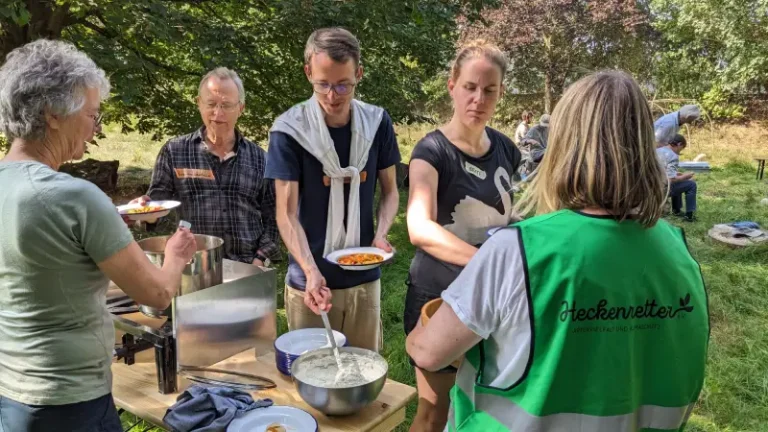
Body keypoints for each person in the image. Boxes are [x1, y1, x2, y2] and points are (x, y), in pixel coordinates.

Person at [407, 70, 709, 431]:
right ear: (646, 146)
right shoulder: (678, 252)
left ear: (565, 146)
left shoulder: (518, 249)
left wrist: (420, 333)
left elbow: (428, 351)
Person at [0, 39, 197, 432]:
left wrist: (111, 223)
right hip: (71, 400)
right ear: (53, 113)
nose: (95, 130)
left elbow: (42, 257)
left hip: (12, 391)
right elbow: (156, 294)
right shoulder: (75, 196)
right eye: (92, 115)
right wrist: (176, 256)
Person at [404, 40, 521, 432]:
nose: (478, 98)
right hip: (438, 300)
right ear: (452, 85)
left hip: (494, 303)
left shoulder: (507, 149)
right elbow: (419, 228)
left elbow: (508, 211)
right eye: (470, 86)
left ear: (501, 93)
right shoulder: (431, 151)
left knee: (484, 405)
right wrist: (489, 263)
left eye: (489, 90)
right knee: (434, 411)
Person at [265, 28, 400, 351]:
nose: (332, 96)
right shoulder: (289, 131)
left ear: (359, 74)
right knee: (312, 378)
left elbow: (391, 192)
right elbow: (285, 213)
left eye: (343, 85)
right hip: (310, 285)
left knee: (365, 373)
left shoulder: (377, 123)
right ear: (308, 72)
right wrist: (311, 271)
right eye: (322, 84)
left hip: (364, 281)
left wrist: (381, 234)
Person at [138, 67, 279, 267]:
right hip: (192, 268)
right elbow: (158, 207)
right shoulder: (174, 151)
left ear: (241, 108)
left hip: (247, 268)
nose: (218, 113)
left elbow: (275, 217)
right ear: (199, 104)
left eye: (227, 105)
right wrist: (148, 213)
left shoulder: (261, 159)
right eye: (211, 104)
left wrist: (261, 258)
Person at [658, 134, 698, 221]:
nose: (680, 151)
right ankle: (689, 215)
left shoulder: (658, 150)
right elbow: (672, 179)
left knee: (680, 182)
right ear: (679, 144)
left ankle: (677, 210)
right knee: (691, 184)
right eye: (682, 148)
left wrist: (676, 173)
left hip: (649, 187)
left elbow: (663, 170)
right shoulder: (673, 156)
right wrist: (685, 176)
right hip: (661, 190)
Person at [518, 113, 549, 179]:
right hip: (536, 153)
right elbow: (522, 141)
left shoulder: (549, 129)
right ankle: (524, 175)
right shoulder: (534, 129)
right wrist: (530, 141)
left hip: (546, 151)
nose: (545, 127)